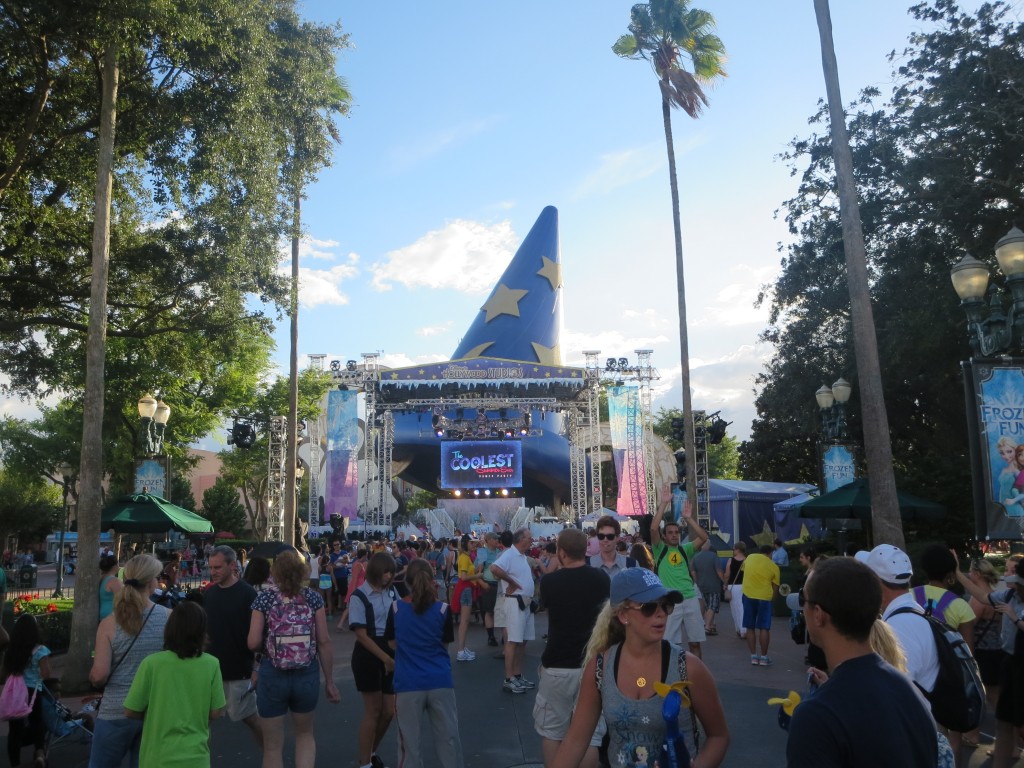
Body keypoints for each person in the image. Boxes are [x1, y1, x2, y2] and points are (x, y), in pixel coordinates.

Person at [550, 568, 729, 768]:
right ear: (624, 615)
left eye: (666, 605)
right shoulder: (600, 668)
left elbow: (718, 736)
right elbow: (576, 740)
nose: (661, 614)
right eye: (649, 607)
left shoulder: (688, 667)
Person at [787, 556, 940, 767]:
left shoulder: (815, 717)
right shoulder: (909, 691)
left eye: (804, 600)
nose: (802, 608)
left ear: (818, 615)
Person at [248, 549, 339, 768]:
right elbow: (324, 641)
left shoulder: (264, 599)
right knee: (305, 734)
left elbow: (252, 642)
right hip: (305, 672)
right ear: (302, 572)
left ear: (275, 572)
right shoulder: (313, 598)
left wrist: (269, 646)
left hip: (272, 671)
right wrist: (330, 681)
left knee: (272, 746)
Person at [533, 529, 610, 768]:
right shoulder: (601, 578)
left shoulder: (550, 582)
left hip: (557, 664)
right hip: (592, 664)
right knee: (590, 736)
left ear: (561, 552)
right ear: (585, 549)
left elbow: (544, 606)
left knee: (553, 732)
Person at [89, 554, 171, 768]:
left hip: (115, 709)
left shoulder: (109, 624)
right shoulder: (169, 618)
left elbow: (99, 674)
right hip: (154, 710)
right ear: (152, 582)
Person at [123, 602, 226, 768]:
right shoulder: (212, 664)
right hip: (196, 757)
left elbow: (130, 710)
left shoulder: (151, 664)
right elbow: (215, 713)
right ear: (202, 631)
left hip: (157, 758)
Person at [385, 558, 462, 768]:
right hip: (439, 680)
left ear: (407, 581)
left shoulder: (396, 609)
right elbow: (444, 645)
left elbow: (392, 643)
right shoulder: (442, 610)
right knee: (448, 740)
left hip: (407, 683)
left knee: (409, 746)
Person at [855, 544, 939, 697]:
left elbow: (896, 693)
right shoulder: (911, 612)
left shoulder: (899, 627)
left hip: (915, 719)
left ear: (876, 582)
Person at [203, 544, 262, 750]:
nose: (213, 572)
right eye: (211, 567)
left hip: (239, 671)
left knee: (251, 718)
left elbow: (258, 635)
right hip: (210, 672)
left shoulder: (248, 595)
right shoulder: (209, 595)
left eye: (217, 567)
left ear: (232, 565)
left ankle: (272, 755)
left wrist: (256, 668)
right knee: (202, 723)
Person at [349, 552, 399, 768]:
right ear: (376, 571)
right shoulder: (359, 596)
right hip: (368, 653)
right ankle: (364, 762)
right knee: (373, 711)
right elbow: (360, 634)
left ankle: (370, 752)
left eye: (391, 572)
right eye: (386, 572)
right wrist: (385, 657)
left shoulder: (392, 592)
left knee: (389, 711)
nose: (389, 576)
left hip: (390, 649)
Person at [650, 500, 708, 658]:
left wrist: (689, 519)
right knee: (670, 644)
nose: (674, 535)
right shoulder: (659, 549)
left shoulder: (685, 549)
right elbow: (653, 528)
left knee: (695, 643)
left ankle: (696, 676)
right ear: (664, 536)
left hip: (690, 599)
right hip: (670, 602)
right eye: (670, 532)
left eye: (677, 532)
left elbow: (703, 537)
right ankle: (672, 676)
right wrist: (663, 504)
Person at [491, 527, 538, 693]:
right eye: (529, 537)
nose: (531, 540)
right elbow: (494, 569)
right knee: (513, 641)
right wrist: (511, 582)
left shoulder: (521, 556)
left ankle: (517, 675)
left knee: (522, 641)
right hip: (515, 602)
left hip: (524, 602)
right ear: (521, 539)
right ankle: (509, 678)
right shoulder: (510, 554)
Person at [964, 558, 1002, 751]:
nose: (969, 574)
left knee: (979, 695)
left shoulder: (978, 600)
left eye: (971, 571)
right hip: (997, 651)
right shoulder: (995, 595)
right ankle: (1004, 740)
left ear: (977, 574)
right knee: (995, 698)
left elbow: (967, 625)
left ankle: (973, 734)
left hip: (982, 654)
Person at [4, 615, 51, 768]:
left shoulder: (11, 651)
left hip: (15, 693)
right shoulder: (40, 650)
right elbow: (46, 673)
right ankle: (39, 753)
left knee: (14, 730)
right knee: (37, 722)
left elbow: (3, 673)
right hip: (33, 692)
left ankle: (15, 763)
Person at [741, 544, 781, 666]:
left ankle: (753, 656)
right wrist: (772, 599)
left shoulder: (749, 558)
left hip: (748, 595)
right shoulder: (774, 566)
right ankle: (764, 657)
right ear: (770, 553)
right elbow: (776, 587)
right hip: (764, 598)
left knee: (750, 627)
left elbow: (744, 570)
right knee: (764, 628)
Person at [452, 534, 489, 661]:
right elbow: (463, 577)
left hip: (466, 588)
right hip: (465, 589)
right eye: (472, 543)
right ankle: (461, 650)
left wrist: (477, 572)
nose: (474, 545)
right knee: (464, 621)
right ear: (466, 544)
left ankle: (463, 648)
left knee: (465, 621)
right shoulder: (464, 557)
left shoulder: (466, 557)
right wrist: (477, 576)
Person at [692, 539, 725, 636]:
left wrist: (697, 581)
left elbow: (693, 571)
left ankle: (709, 626)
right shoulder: (714, 556)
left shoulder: (695, 557)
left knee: (707, 606)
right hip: (713, 585)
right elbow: (719, 571)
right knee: (712, 606)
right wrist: (724, 582)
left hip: (701, 585)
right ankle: (707, 627)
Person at [477, 532, 503, 646]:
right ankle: (491, 636)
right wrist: (481, 582)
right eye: (494, 539)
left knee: (502, 611)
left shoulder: (500, 552)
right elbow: (478, 570)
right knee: (489, 611)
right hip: (488, 585)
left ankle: (504, 636)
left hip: (500, 585)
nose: (497, 541)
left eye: (497, 539)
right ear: (488, 540)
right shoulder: (482, 552)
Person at [724, 541, 747, 639]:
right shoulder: (747, 560)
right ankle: (743, 629)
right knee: (742, 607)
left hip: (733, 586)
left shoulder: (731, 560)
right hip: (744, 586)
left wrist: (725, 584)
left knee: (734, 608)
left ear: (737, 549)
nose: (733, 551)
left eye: (734, 549)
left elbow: (727, 574)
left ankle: (739, 628)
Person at [98, 554, 123, 620]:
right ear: (114, 566)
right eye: (118, 564)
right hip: (111, 615)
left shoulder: (102, 578)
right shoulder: (114, 581)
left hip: (103, 613)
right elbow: (124, 598)